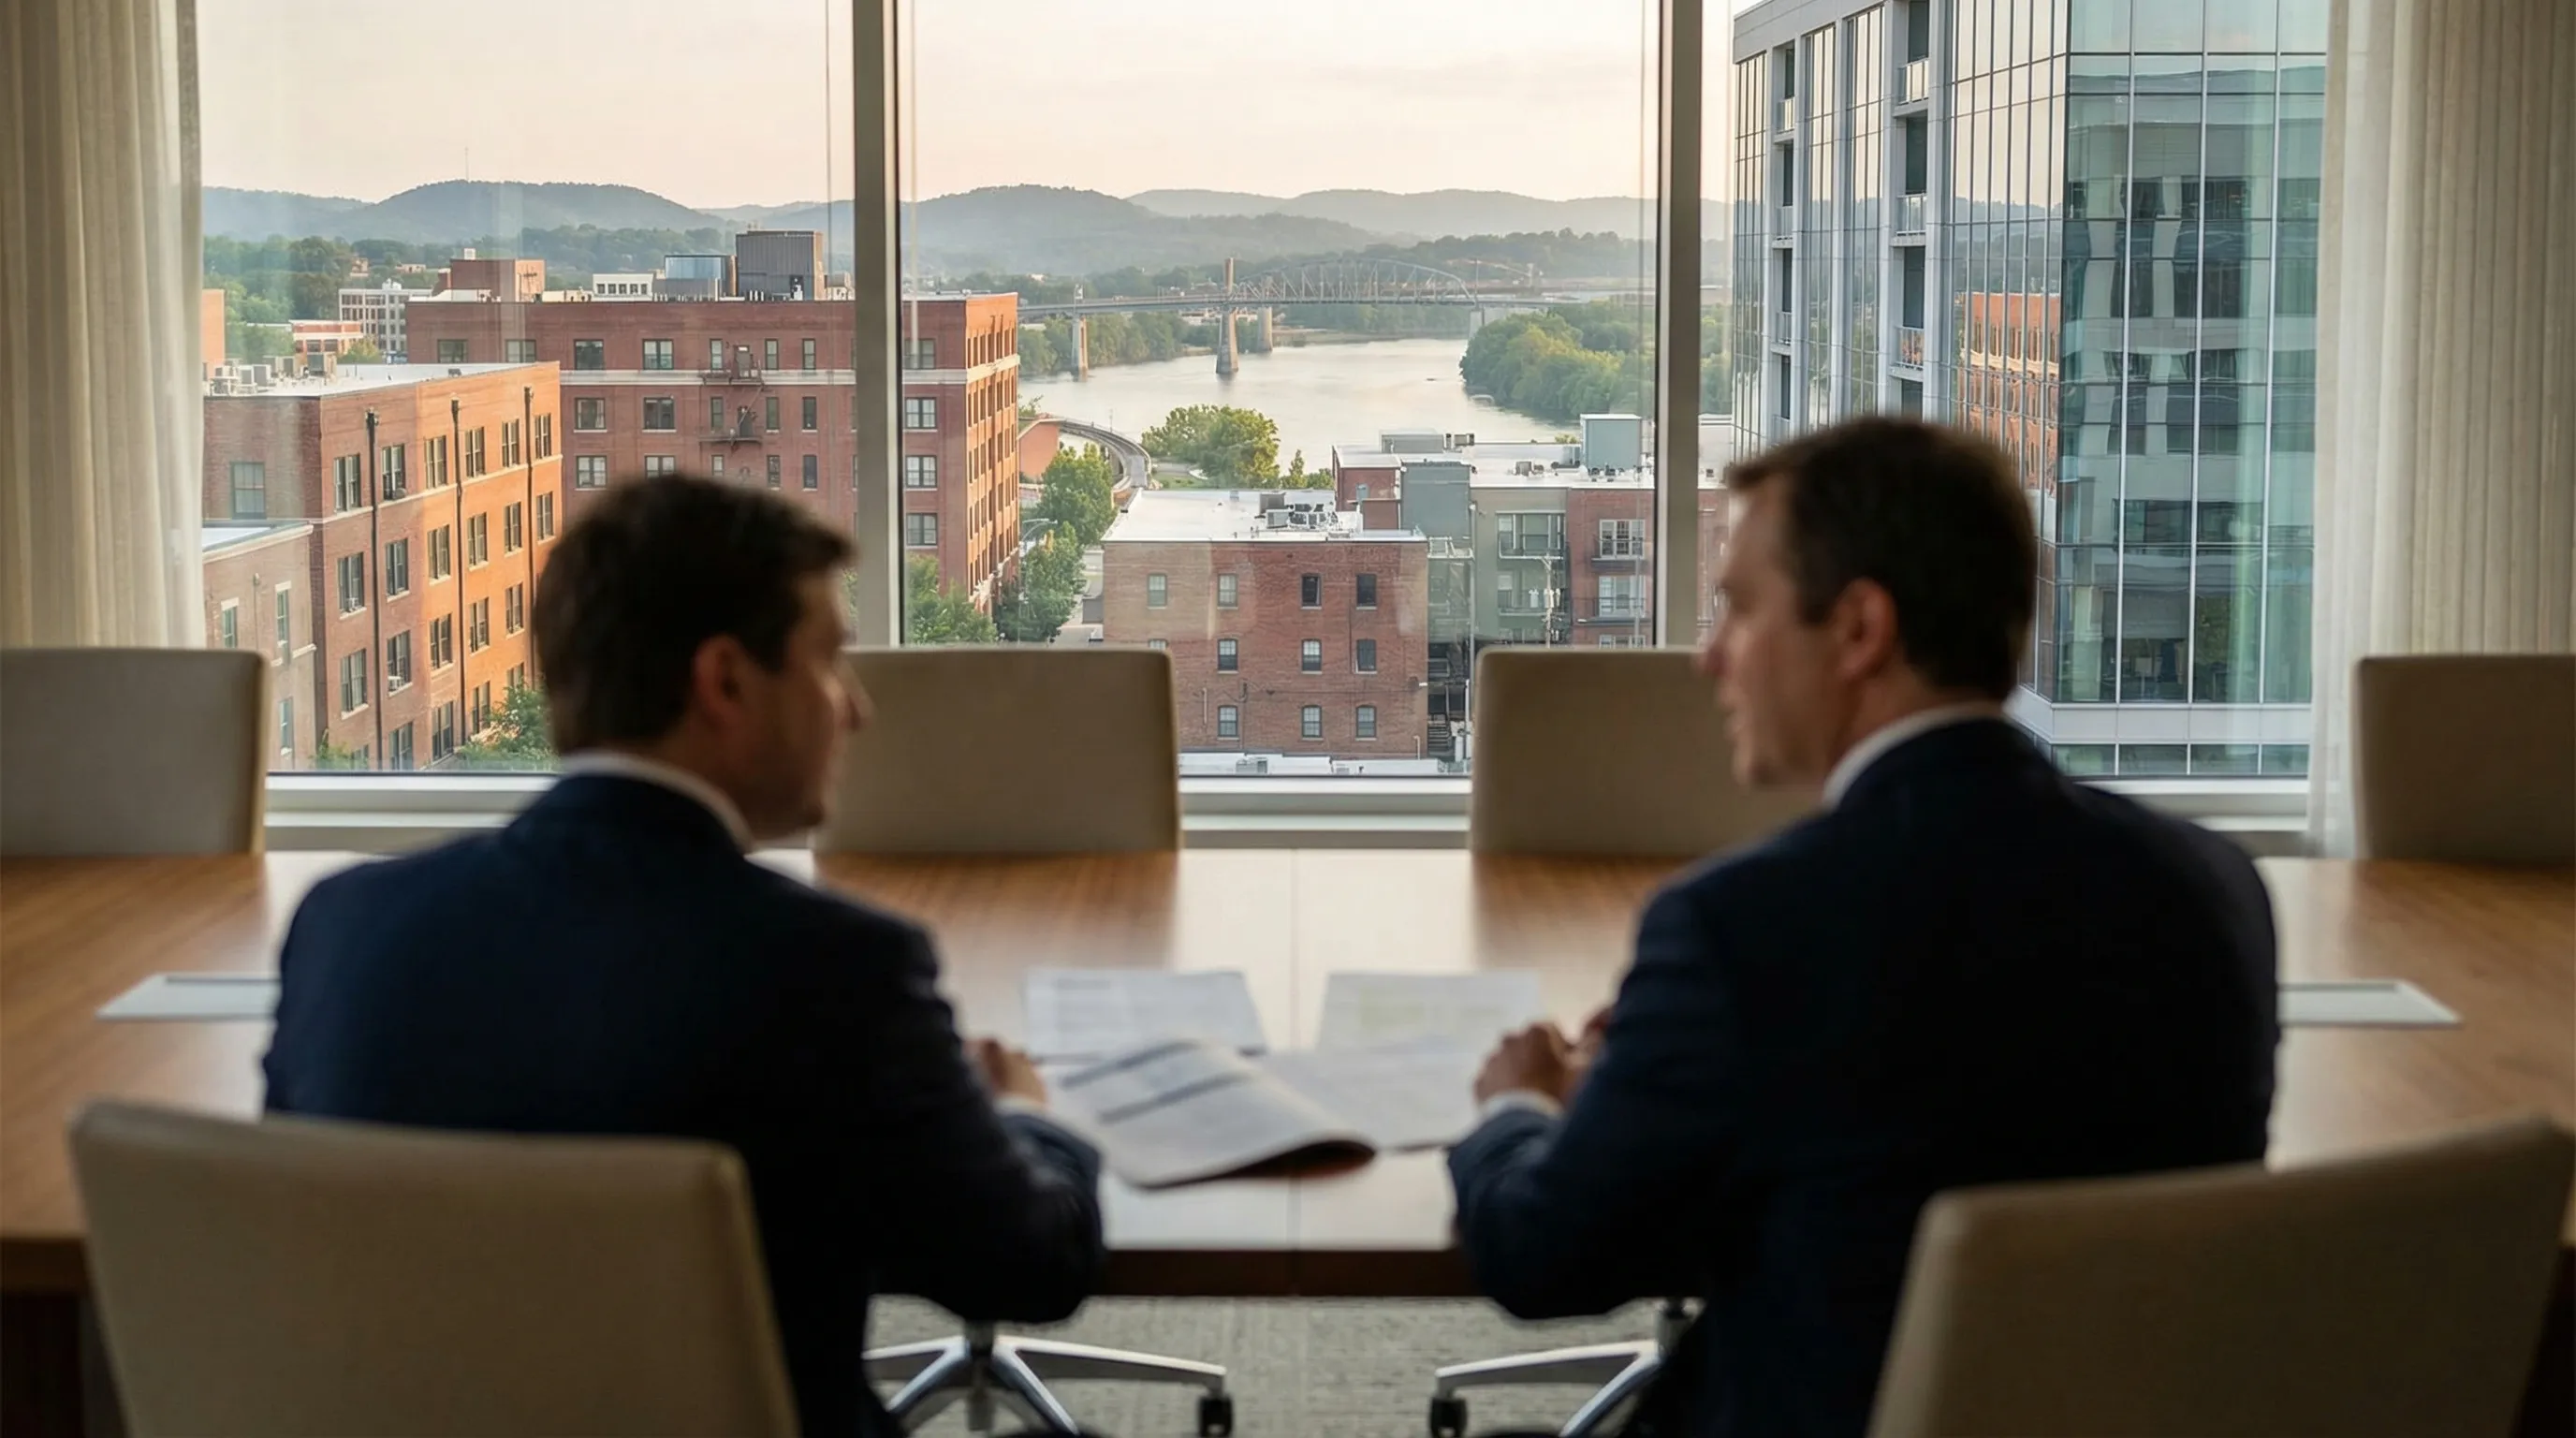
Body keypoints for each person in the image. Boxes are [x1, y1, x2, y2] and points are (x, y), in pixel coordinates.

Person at [1447, 418, 2277, 1438]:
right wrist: (1668, 1075)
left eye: (1740, 610)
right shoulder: (2214, 888)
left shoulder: (1740, 929)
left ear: (1857, 630)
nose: (1709, 660)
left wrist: (1518, 1107)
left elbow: (1541, 1257)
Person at [263, 474, 1105, 1438]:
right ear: (726, 681)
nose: (857, 711)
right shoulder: (832, 970)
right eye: (830, 664)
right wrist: (1025, 1118)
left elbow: (298, 1237)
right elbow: (1029, 1267)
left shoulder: (344, 926)